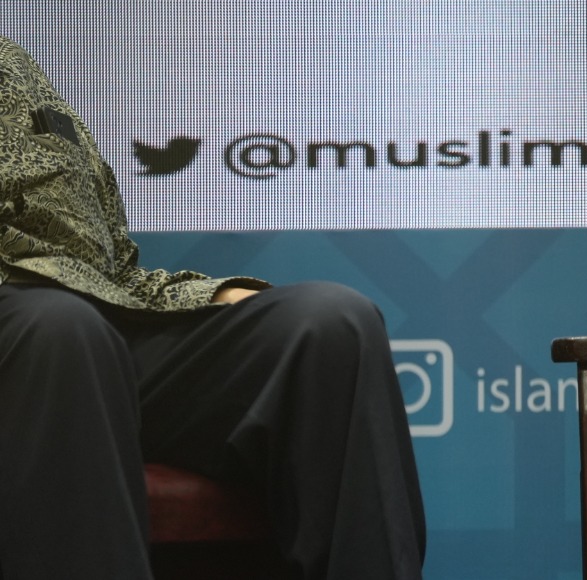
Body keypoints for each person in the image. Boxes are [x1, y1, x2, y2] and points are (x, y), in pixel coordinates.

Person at [0, 35, 426, 579]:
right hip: (39, 340)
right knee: (63, 330)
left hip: (93, 336)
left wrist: (213, 297)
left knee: (329, 324)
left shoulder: (14, 66)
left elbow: (108, 269)